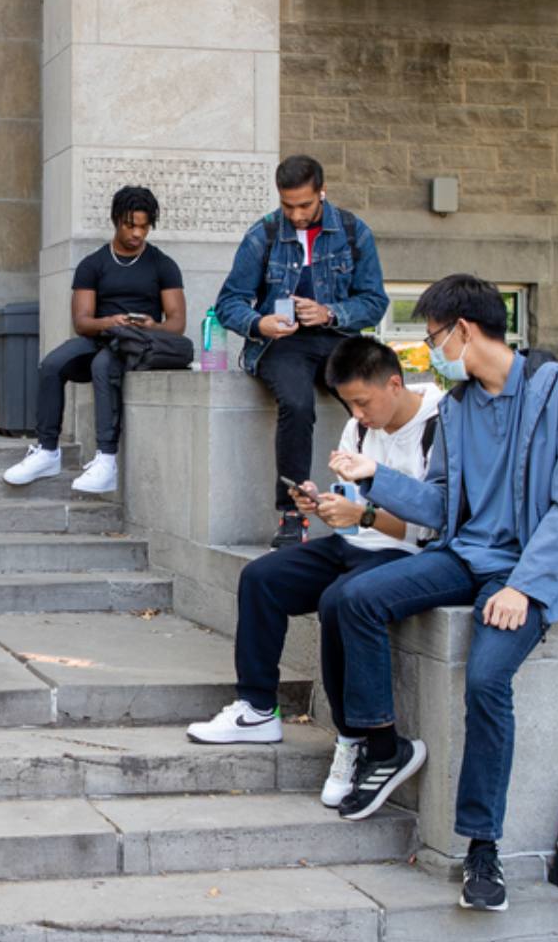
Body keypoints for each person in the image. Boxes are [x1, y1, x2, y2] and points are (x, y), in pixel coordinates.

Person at [322, 274, 558, 915]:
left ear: (463, 331)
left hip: (524, 571)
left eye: (432, 339)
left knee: (484, 682)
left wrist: (526, 588)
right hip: (463, 554)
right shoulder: (456, 408)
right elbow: (444, 507)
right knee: (355, 598)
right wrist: (377, 477)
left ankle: (482, 847)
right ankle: (382, 746)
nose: (429, 354)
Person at [186, 335, 442, 811]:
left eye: (363, 402)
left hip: (406, 555)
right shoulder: (359, 426)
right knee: (262, 578)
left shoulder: (439, 423)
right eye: (349, 404)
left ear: (394, 383)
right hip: (353, 542)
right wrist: (323, 504)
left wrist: (362, 516)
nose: (358, 414)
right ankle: (259, 708)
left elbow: (430, 525)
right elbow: (352, 505)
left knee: (338, 602)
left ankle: (353, 741)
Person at [214, 155, 387, 549]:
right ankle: (292, 514)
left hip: (339, 338)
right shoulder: (264, 234)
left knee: (372, 405)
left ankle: (382, 501)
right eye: (287, 205)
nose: (296, 214)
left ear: (321, 193)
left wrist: (330, 313)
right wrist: (259, 323)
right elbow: (229, 302)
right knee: (297, 404)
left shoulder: (352, 231)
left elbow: (375, 302)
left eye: (304, 205)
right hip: (282, 344)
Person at [3, 185, 184, 495]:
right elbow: (82, 322)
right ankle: (47, 451)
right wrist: (109, 322)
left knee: (104, 365)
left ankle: (107, 461)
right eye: (131, 225)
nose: (137, 233)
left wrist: (153, 326)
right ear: (115, 220)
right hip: (102, 337)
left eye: (144, 226)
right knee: (52, 364)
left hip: (138, 346)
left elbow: (177, 323)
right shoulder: (93, 264)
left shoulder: (162, 264)